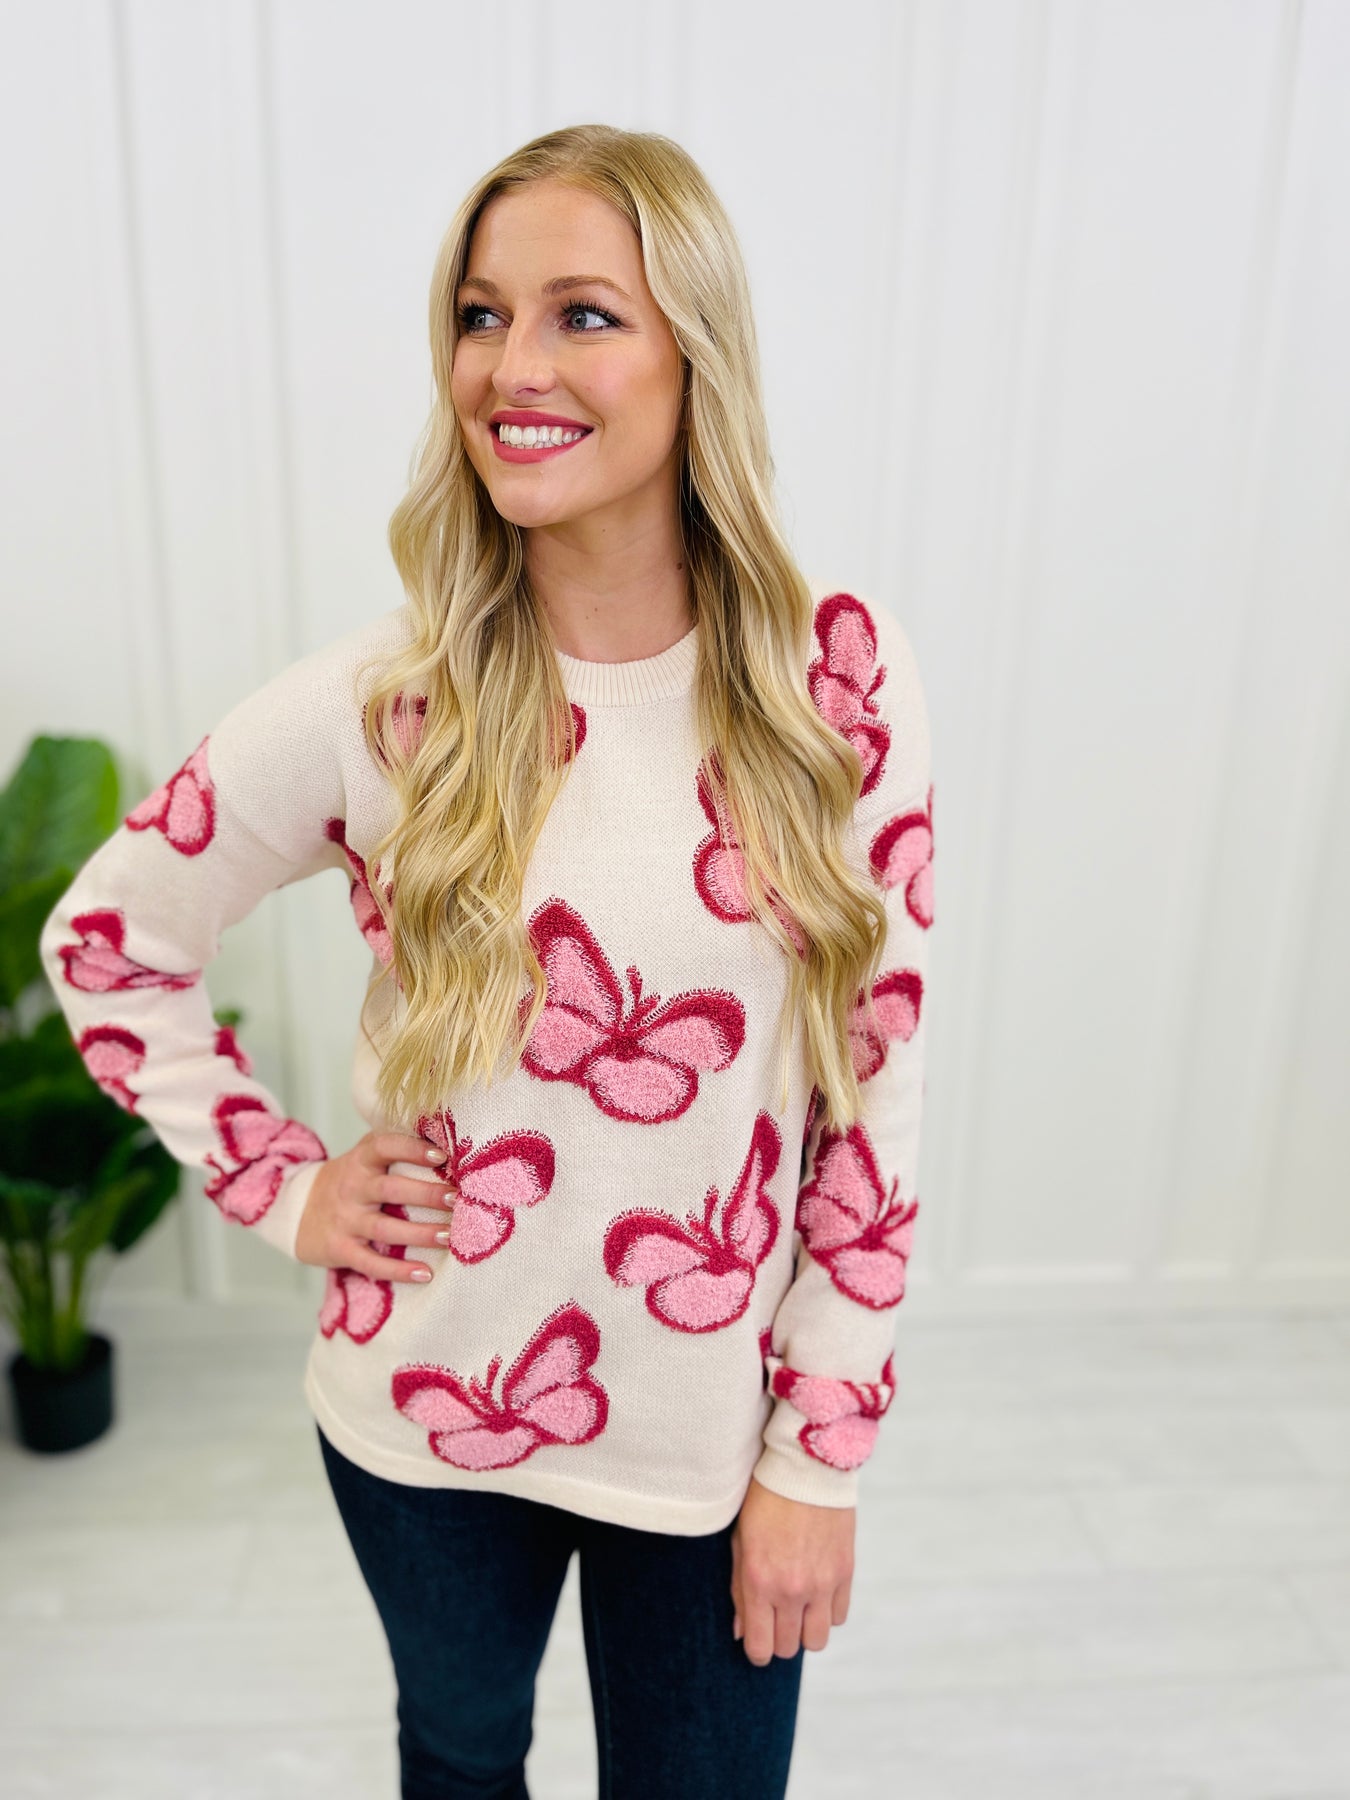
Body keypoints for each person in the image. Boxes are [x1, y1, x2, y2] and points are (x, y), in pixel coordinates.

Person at [39, 122, 935, 1800]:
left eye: (581, 313)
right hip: (422, 1412)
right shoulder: (386, 702)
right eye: (478, 314)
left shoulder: (836, 680)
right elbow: (107, 934)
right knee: (460, 1760)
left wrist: (821, 1456)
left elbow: (868, 1104)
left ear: (694, 349)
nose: (511, 367)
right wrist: (286, 1185)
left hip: (705, 1433)